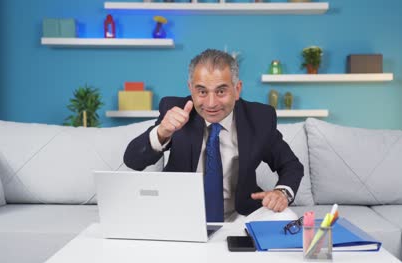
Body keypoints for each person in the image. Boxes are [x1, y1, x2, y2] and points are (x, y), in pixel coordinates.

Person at [124, 49, 304, 221]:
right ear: (191, 88)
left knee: (287, 217)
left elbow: (291, 165)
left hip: (240, 216)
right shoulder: (175, 109)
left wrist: (281, 193)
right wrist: (162, 131)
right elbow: (133, 160)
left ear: (237, 89)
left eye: (221, 91)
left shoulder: (259, 118)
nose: (211, 103)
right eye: (202, 91)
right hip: (179, 214)